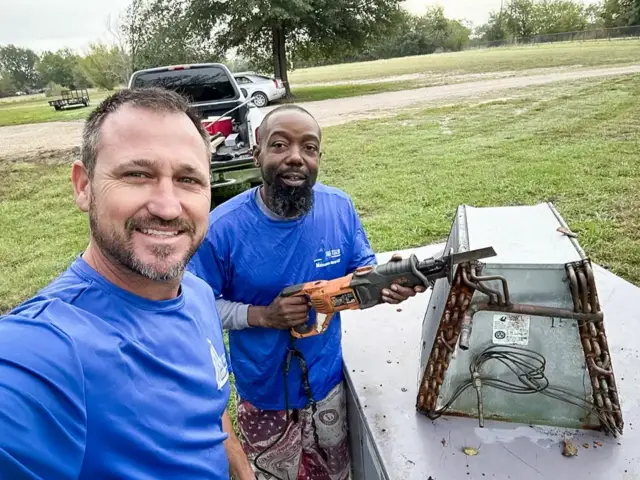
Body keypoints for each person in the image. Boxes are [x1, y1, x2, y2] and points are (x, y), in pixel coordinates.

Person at [0, 88, 254, 480]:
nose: (168, 207)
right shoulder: (46, 349)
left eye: (188, 179)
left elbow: (212, 413)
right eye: (137, 175)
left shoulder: (199, 295)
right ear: (83, 186)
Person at [187, 104, 423, 479]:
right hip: (265, 395)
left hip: (328, 385)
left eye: (309, 148)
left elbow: (359, 273)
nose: (296, 157)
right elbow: (196, 309)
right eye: (280, 145)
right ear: (257, 153)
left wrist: (384, 284)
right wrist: (262, 315)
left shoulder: (339, 208)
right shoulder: (223, 229)